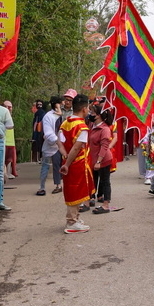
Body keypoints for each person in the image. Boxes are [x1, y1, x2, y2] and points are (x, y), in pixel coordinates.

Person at [59, 94, 93, 234]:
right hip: (76, 163)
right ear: (84, 109)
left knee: (72, 189)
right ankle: (71, 221)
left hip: (67, 161)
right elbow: (76, 148)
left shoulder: (66, 122)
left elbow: (59, 141)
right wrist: (68, 163)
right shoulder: (81, 126)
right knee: (76, 191)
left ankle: (75, 218)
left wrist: (64, 155)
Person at [89, 105, 114, 214]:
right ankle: (91, 199)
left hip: (103, 159)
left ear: (98, 115)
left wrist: (99, 161)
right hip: (94, 159)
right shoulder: (93, 126)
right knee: (93, 180)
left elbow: (104, 146)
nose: (91, 114)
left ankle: (105, 205)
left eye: (93, 113)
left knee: (105, 182)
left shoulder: (104, 129)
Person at [37, 96, 63, 196]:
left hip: (58, 145)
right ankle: (42, 187)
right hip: (50, 144)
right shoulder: (48, 116)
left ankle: (58, 185)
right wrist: (57, 141)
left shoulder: (60, 115)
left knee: (57, 165)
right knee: (45, 166)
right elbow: (48, 133)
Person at [3, 100, 17, 179]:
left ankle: (8, 172)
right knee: (3, 159)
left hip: (11, 141)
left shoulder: (10, 116)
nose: (8, 108)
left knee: (10, 158)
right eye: (6, 106)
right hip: (4, 141)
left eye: (10, 107)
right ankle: (4, 174)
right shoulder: (1, 115)